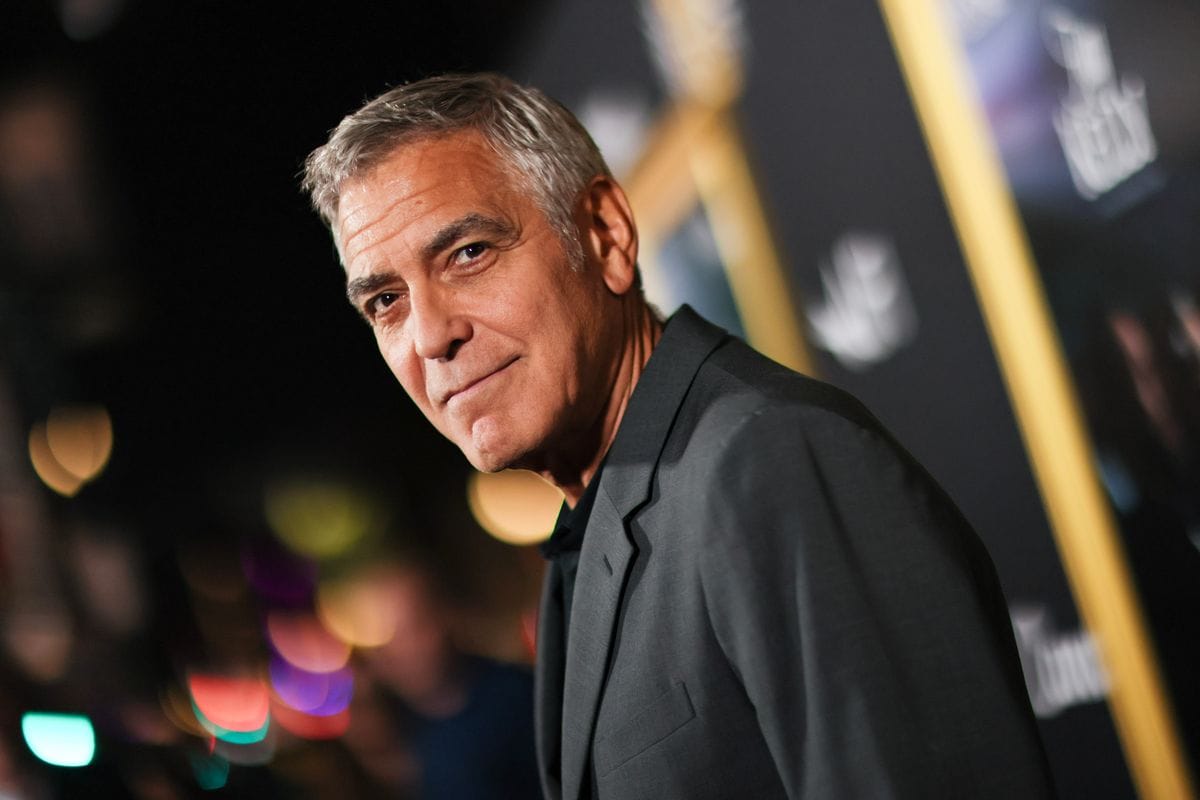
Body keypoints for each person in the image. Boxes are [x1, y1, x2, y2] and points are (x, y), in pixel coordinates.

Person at [303, 73, 1055, 800]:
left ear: (606, 235)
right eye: (385, 301)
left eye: (469, 253)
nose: (431, 335)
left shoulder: (770, 463)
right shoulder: (602, 515)